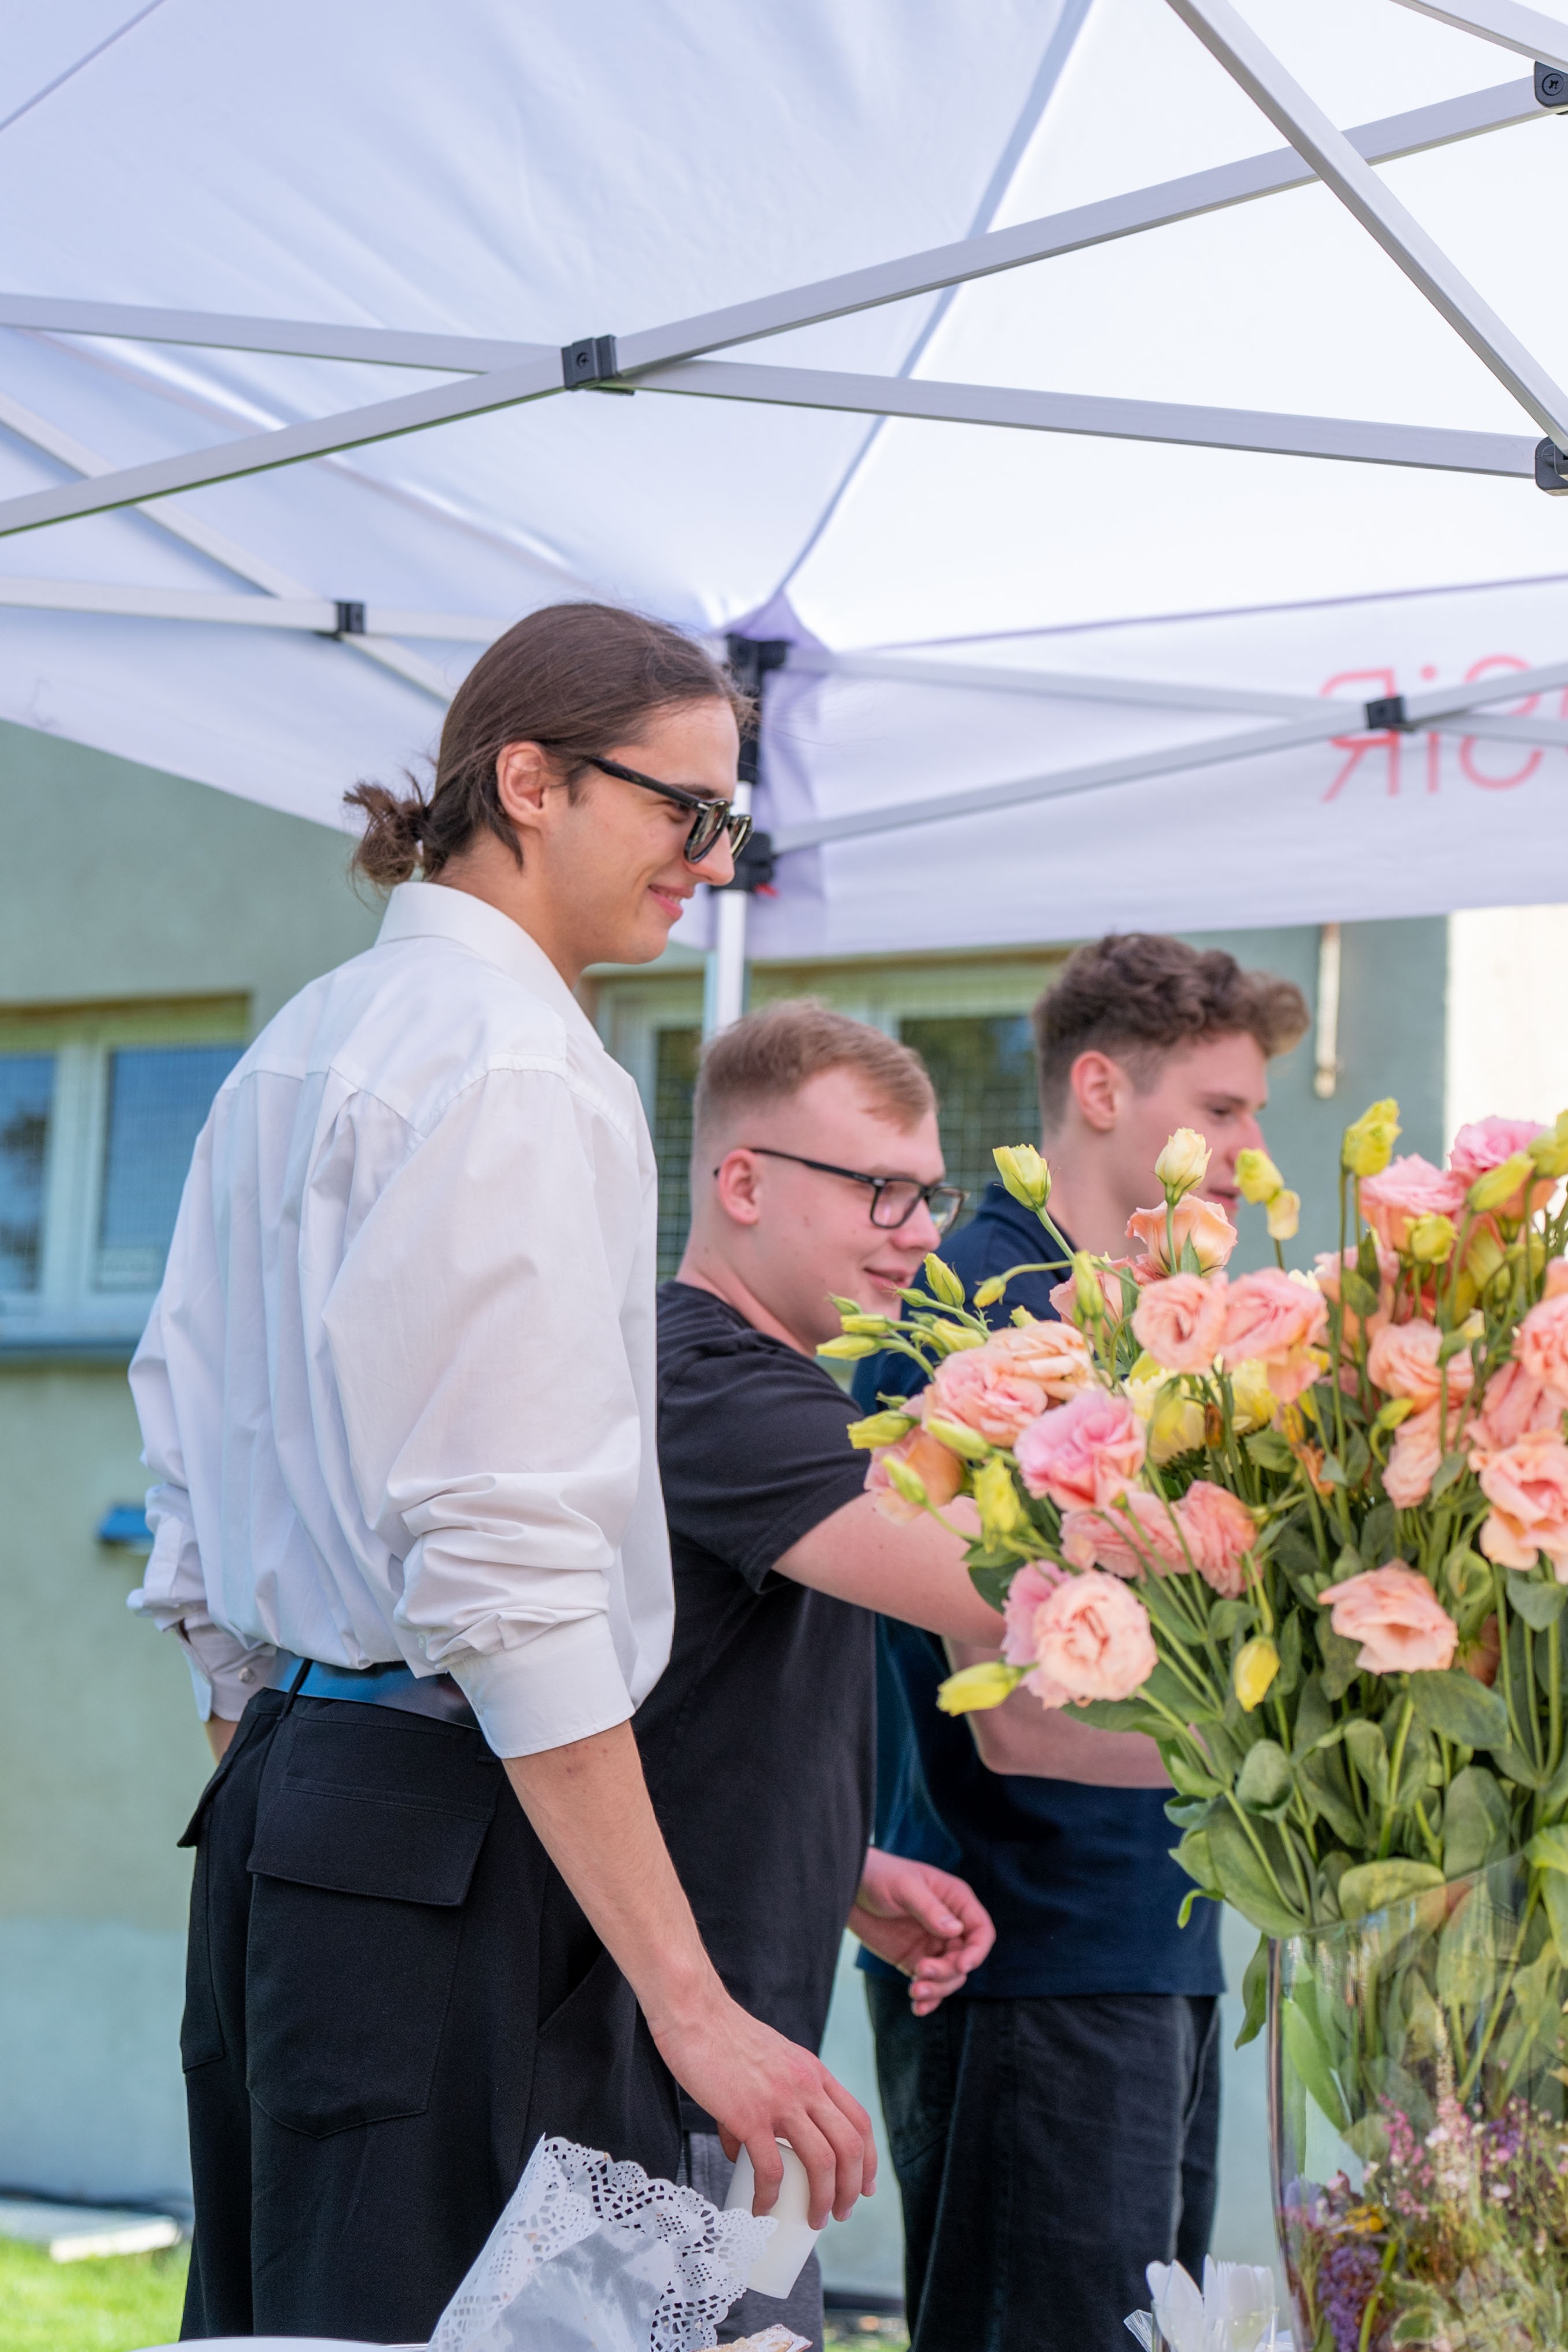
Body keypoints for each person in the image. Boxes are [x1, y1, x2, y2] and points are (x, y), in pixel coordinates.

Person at [127, 603, 877, 2346]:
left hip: (296, 1803)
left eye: (728, 820)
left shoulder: (301, 1040)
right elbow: (508, 1576)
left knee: (294, 2323)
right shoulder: (521, 1062)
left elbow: (189, 1496)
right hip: (451, 1821)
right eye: (683, 809)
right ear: (528, 782)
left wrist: (306, 1774)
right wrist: (691, 2002)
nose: (712, 862)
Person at [852, 933, 1311, 2352]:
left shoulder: (1146, 1318)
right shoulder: (975, 1309)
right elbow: (1011, 1707)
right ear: (1101, 1089)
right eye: (1219, 1108)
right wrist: (1298, 1776)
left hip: (1154, 1935)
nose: (1249, 1147)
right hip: (1023, 1946)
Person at [639, 1000, 1006, 2350]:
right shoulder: (703, 1376)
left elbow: (688, 1712)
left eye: (928, 1192)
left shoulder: (780, 1388)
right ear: (742, 1182)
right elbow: (988, 1583)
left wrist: (841, 1866)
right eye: (877, 1189)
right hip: (663, 2071)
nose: (916, 1232)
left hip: (741, 2055)